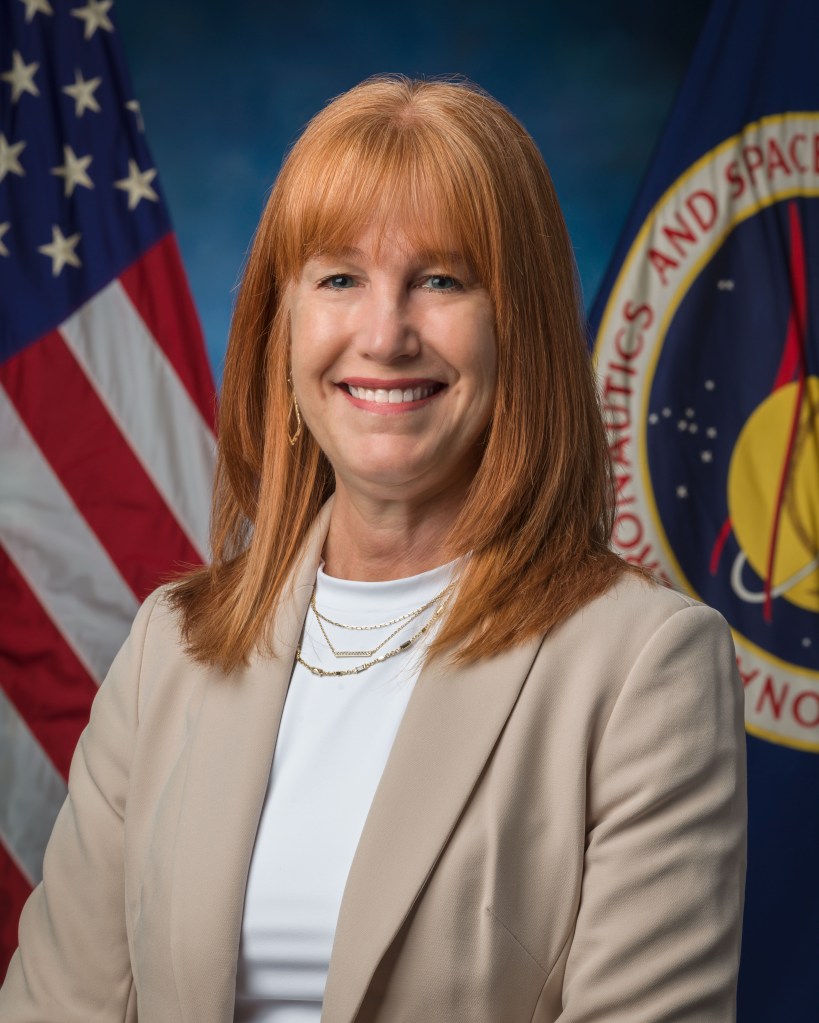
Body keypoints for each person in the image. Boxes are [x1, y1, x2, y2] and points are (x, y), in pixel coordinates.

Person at [0, 76, 746, 1022]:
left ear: (519, 326)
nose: (384, 335)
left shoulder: (643, 667)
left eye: (441, 280)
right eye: (340, 278)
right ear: (281, 324)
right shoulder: (170, 649)